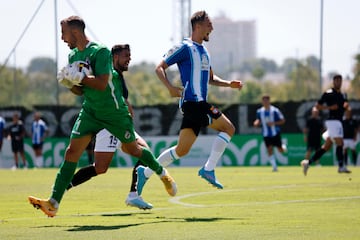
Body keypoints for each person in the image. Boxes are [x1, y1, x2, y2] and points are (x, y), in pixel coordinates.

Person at [28, 16, 175, 217]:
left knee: (133, 149)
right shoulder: (72, 56)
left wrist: (80, 77)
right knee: (72, 152)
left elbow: (101, 83)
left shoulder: (101, 51)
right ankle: (53, 202)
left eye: (64, 33)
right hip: (90, 111)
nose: (62, 38)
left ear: (76, 33)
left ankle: (162, 174)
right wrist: (70, 85)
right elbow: (82, 91)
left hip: (114, 113)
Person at [135, 10, 243, 195]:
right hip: (193, 103)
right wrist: (169, 87)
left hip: (199, 104)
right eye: (209, 24)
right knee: (229, 128)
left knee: (181, 150)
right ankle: (208, 169)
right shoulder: (184, 47)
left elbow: (210, 78)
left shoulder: (204, 51)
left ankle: (144, 172)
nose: (212, 27)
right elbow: (159, 67)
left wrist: (228, 84)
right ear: (198, 26)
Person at [67, 44, 153, 210]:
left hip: (122, 125)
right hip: (110, 126)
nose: (129, 59)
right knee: (100, 168)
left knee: (145, 153)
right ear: (114, 58)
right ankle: (64, 186)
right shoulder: (108, 76)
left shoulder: (118, 76)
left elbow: (123, 101)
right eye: (125, 56)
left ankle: (134, 195)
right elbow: (89, 92)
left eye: (130, 55)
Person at [301, 74, 351, 175]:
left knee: (326, 147)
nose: (338, 82)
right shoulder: (328, 93)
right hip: (332, 121)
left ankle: (308, 162)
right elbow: (317, 106)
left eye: (340, 81)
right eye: (336, 81)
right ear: (333, 82)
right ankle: (341, 166)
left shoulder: (343, 95)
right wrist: (329, 108)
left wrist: (346, 107)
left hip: (339, 121)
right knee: (340, 143)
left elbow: (345, 107)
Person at [253, 95, 286, 172]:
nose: (265, 102)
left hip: (275, 133)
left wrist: (273, 123)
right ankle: (274, 167)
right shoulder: (259, 111)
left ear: (269, 101)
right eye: (263, 101)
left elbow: (282, 120)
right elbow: (258, 120)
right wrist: (256, 122)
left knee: (280, 150)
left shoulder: (275, 110)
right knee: (269, 149)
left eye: (266, 100)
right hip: (266, 134)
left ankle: (283, 147)